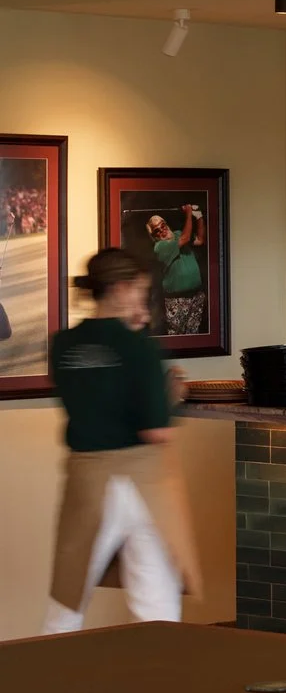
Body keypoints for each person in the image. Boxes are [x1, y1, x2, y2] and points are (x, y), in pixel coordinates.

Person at [46, 247, 199, 635]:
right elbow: (155, 431)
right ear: (118, 289)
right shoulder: (139, 348)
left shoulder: (62, 344)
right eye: (139, 290)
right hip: (141, 483)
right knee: (155, 604)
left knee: (68, 598)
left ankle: (39, 684)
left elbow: (87, 396)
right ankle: (155, 688)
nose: (141, 300)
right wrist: (171, 396)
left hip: (85, 480)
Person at [145, 204, 208, 337]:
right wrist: (189, 213)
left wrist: (199, 217)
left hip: (196, 296)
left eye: (163, 225)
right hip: (177, 301)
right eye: (157, 230)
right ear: (154, 236)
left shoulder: (179, 234)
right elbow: (185, 239)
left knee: (193, 336)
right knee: (177, 337)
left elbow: (200, 240)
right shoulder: (160, 247)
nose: (162, 230)